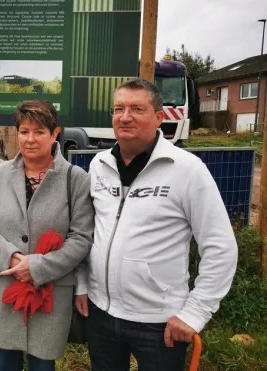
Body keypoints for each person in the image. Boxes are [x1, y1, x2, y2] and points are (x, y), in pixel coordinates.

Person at [75, 78, 238, 370]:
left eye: (137, 108)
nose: (125, 117)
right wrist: (83, 285)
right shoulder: (99, 165)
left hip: (159, 321)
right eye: (118, 109)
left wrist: (194, 313)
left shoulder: (186, 170)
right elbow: (88, 233)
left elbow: (220, 246)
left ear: (159, 117)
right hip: (100, 313)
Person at [0, 100, 94, 371]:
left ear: (55, 134)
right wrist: (12, 259)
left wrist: (38, 267)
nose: (30, 139)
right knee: (5, 364)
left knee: (43, 365)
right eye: (24, 131)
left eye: (39, 132)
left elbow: (81, 238)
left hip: (50, 293)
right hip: (5, 288)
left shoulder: (75, 179)